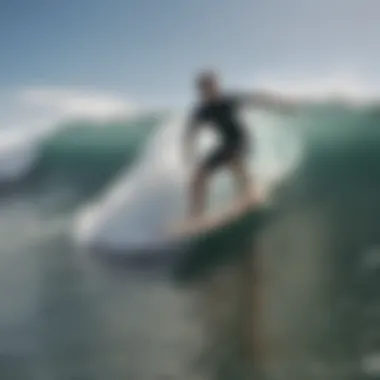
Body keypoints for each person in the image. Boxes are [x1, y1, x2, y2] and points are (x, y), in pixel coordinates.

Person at [183, 70, 294, 219]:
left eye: (211, 86)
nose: (208, 91)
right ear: (200, 91)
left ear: (216, 86)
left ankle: (250, 192)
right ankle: (196, 214)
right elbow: (191, 132)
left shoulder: (228, 100)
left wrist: (281, 105)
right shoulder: (202, 111)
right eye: (204, 88)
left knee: (234, 159)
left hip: (241, 140)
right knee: (199, 176)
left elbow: (257, 99)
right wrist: (188, 150)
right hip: (225, 144)